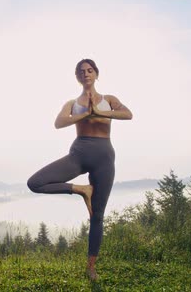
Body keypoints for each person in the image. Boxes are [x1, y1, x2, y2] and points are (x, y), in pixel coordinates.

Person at [27, 58, 133, 281]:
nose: (86, 73)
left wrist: (101, 113)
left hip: (104, 157)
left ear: (96, 74)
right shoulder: (72, 103)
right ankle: (80, 189)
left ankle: (91, 267)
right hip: (79, 154)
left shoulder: (109, 100)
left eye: (90, 70)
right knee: (34, 183)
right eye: (81, 71)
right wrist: (86, 114)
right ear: (77, 77)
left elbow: (128, 114)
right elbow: (59, 123)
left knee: (97, 215)